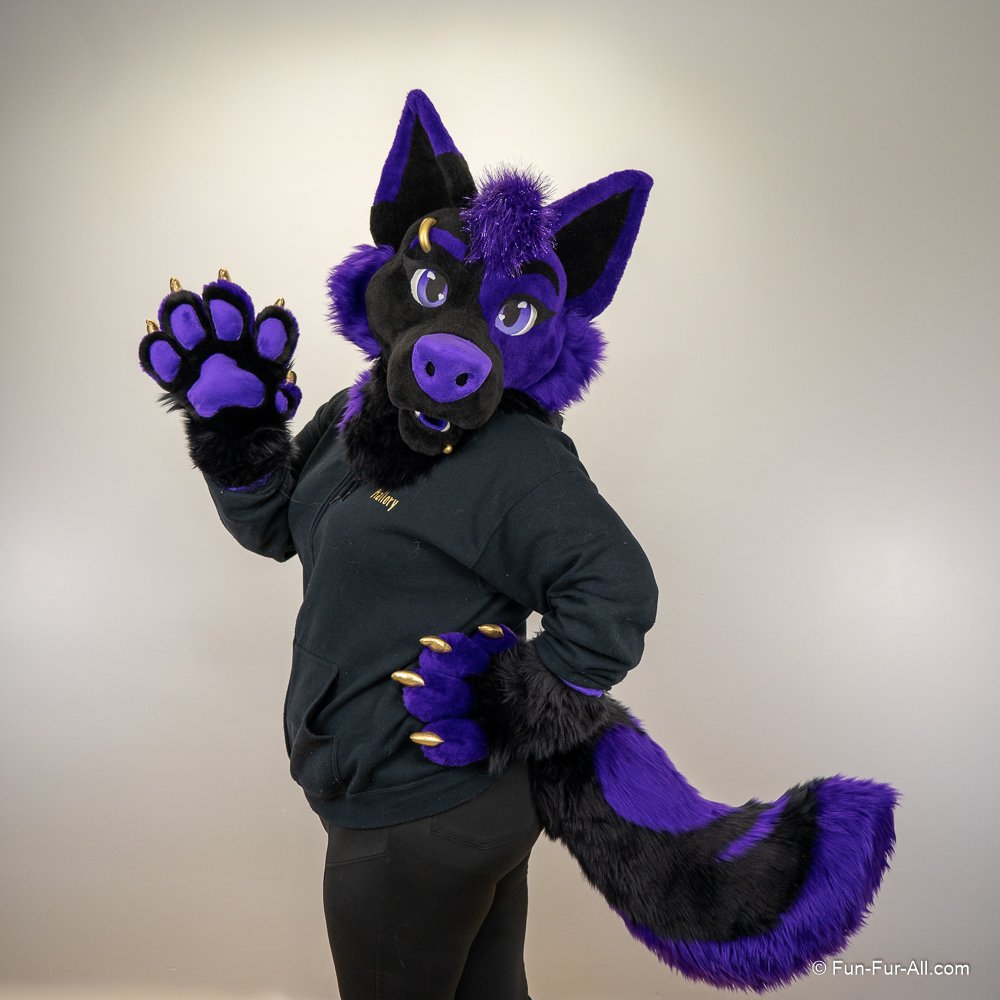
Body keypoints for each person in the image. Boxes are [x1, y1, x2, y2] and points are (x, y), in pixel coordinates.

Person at [140, 91, 657, 1000]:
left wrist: (511, 703)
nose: (455, 345)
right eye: (434, 289)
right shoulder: (359, 409)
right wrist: (234, 430)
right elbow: (276, 526)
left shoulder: (518, 457)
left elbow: (616, 591)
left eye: (509, 316)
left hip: (422, 811)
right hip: (427, 801)